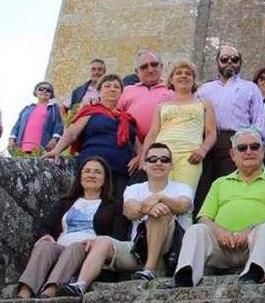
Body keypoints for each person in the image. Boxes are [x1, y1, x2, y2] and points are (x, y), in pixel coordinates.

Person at [60, 144, 193, 295]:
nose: (158, 163)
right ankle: (81, 284)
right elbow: (129, 210)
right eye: (152, 159)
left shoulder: (182, 188)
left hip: (169, 251)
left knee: (159, 213)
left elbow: (183, 205)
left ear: (172, 166)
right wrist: (147, 207)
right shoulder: (133, 189)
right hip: (137, 250)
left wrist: (159, 198)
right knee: (102, 241)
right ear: (144, 165)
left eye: (164, 159)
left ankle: (149, 270)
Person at [173, 127, 265, 287]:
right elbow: (204, 218)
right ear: (233, 155)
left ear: (262, 152)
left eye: (254, 147)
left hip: (255, 246)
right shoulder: (220, 183)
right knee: (196, 230)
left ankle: (252, 275)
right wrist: (220, 232)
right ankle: (185, 279)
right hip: (221, 248)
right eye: (242, 148)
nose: (249, 151)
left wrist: (251, 230)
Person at [17, 157, 127, 299]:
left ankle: (51, 290)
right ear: (80, 177)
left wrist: (97, 243)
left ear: (105, 179)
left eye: (97, 172)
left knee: (75, 247)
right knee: (44, 245)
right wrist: (45, 235)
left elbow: (118, 235)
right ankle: (25, 291)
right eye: (87, 171)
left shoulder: (114, 205)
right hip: (59, 247)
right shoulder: (65, 202)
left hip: (87, 249)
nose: (91, 175)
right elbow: (45, 226)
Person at [194, 45, 265, 209]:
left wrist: (251, 146)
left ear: (240, 62)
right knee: (204, 187)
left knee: (231, 186)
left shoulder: (250, 88)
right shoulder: (204, 90)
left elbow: (259, 122)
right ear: (217, 62)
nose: (230, 63)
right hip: (207, 143)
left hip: (236, 141)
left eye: (234, 59)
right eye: (224, 59)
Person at [43, 75, 138, 199]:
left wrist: (139, 157)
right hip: (92, 168)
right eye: (107, 86)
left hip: (120, 170)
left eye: (117, 87)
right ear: (99, 91)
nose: (112, 89)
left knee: (116, 209)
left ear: (121, 92)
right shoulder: (90, 112)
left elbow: (137, 144)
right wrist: (56, 150)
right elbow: (72, 133)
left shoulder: (126, 118)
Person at [140, 61, 217, 192]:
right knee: (158, 195)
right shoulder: (161, 106)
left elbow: (211, 133)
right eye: (179, 73)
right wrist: (144, 158)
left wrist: (203, 150)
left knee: (184, 196)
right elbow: (152, 134)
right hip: (161, 156)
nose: (183, 76)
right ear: (171, 79)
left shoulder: (204, 104)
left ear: (193, 80)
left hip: (190, 155)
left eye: (188, 74)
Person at [118, 50, 174, 145]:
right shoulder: (127, 91)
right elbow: (115, 115)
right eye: (144, 67)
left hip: (163, 146)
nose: (150, 70)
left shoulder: (172, 93)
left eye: (154, 64)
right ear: (137, 72)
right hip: (130, 146)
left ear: (161, 66)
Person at [9, 81, 63, 154]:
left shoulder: (54, 108)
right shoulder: (26, 109)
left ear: (51, 94)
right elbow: (17, 126)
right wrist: (12, 139)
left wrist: (54, 139)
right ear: (36, 92)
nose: (45, 91)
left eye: (48, 90)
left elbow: (59, 125)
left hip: (43, 147)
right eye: (41, 89)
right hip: (22, 146)